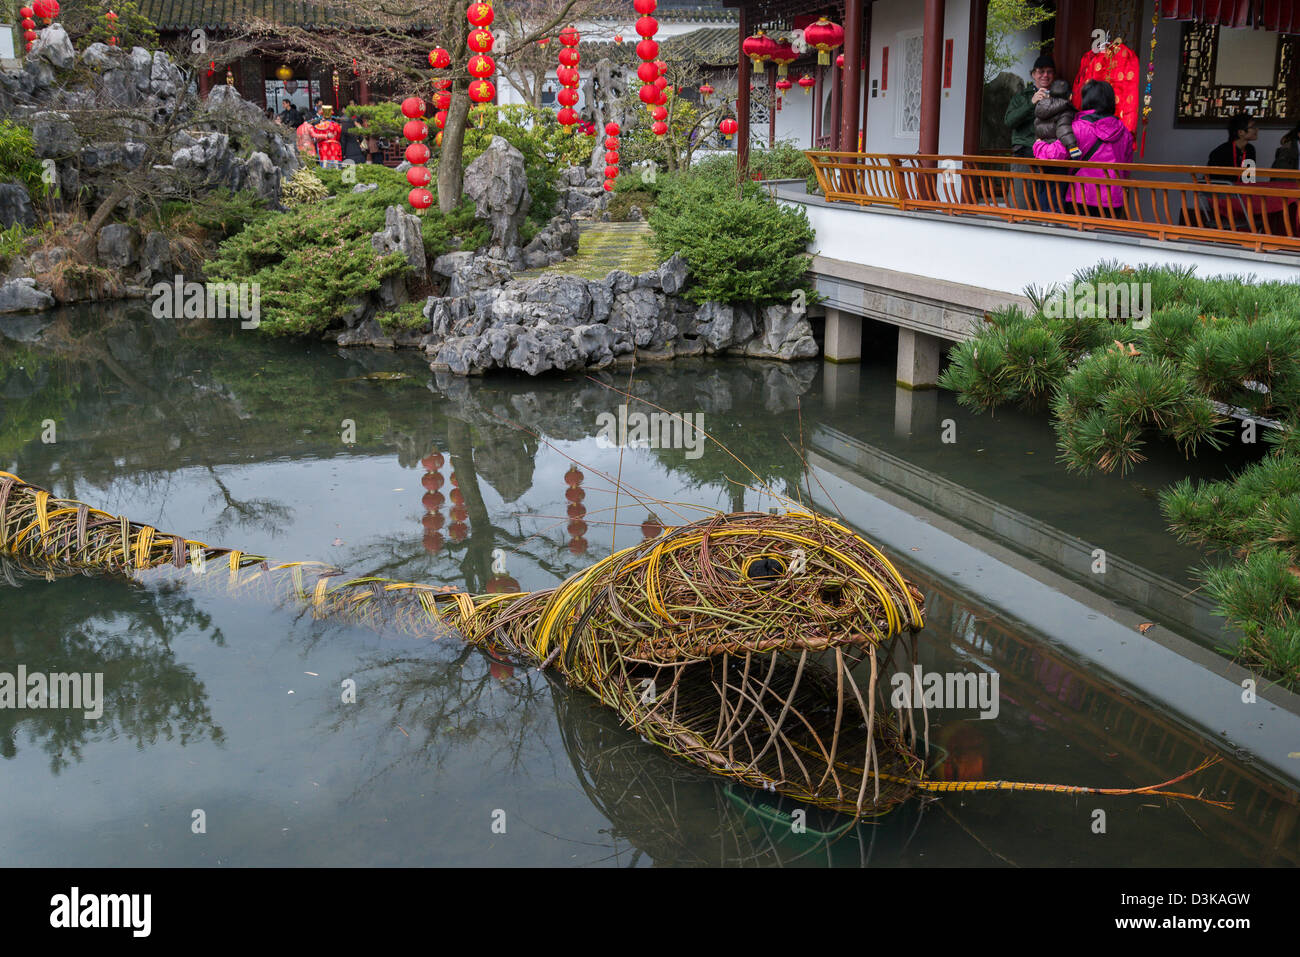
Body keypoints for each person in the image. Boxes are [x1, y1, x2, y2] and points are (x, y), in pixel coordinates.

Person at [1034, 80, 1133, 217]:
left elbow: (1053, 155)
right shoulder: (1124, 133)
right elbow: (1126, 169)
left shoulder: (1079, 128)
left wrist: (1038, 144)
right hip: (1113, 201)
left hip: (1080, 198)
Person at [1005, 54, 1059, 210]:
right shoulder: (1022, 96)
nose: (1045, 75)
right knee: (1019, 206)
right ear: (1033, 74)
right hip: (1025, 156)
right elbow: (1009, 121)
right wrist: (1031, 103)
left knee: (1045, 208)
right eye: (1041, 71)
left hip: (1050, 158)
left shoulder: (1059, 96)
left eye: (1049, 72)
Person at [1206, 112, 1257, 183]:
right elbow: (1215, 180)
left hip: (1243, 191)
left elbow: (1249, 178)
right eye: (1253, 127)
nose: (1256, 129)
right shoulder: (1221, 152)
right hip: (1224, 191)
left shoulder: (1250, 149)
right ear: (1240, 132)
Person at [310, 104, 343, 169]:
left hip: (324, 149)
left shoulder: (319, 126)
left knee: (325, 167)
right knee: (336, 168)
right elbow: (339, 137)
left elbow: (317, 138)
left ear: (322, 114)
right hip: (335, 148)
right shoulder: (337, 125)